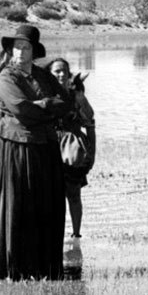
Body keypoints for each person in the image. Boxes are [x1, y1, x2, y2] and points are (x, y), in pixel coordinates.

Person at [0, 25, 72, 280]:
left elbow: (66, 102)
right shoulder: (6, 78)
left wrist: (43, 105)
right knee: (16, 207)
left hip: (44, 149)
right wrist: (47, 106)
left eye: (26, 47)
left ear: (34, 51)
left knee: (42, 207)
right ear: (10, 51)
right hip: (14, 149)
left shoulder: (45, 76)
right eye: (16, 47)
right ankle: (13, 267)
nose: (20, 52)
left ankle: (40, 266)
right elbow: (21, 110)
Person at [48, 58, 96, 238]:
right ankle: (54, 234)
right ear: (49, 75)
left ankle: (76, 234)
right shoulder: (44, 92)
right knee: (51, 196)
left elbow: (90, 120)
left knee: (74, 194)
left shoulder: (75, 94)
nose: (61, 74)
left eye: (64, 71)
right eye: (57, 71)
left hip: (71, 149)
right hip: (50, 147)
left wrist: (80, 97)